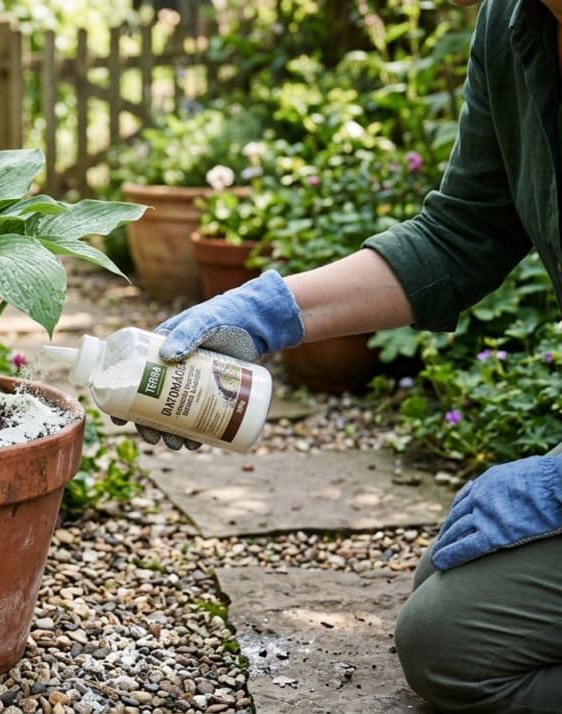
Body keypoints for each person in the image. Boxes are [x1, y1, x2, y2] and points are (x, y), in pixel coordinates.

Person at [142, 0, 562, 711]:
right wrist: (261, 313)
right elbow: (461, 235)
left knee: (455, 648)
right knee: (455, 585)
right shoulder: (511, 24)